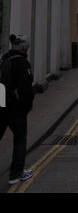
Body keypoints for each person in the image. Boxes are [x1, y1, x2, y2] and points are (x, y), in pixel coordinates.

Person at [0, 35, 34, 185]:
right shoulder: (22, 64)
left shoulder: (4, 60)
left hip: (2, 106)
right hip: (16, 110)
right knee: (20, 140)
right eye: (26, 48)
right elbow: (26, 90)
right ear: (23, 49)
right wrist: (26, 107)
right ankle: (16, 174)